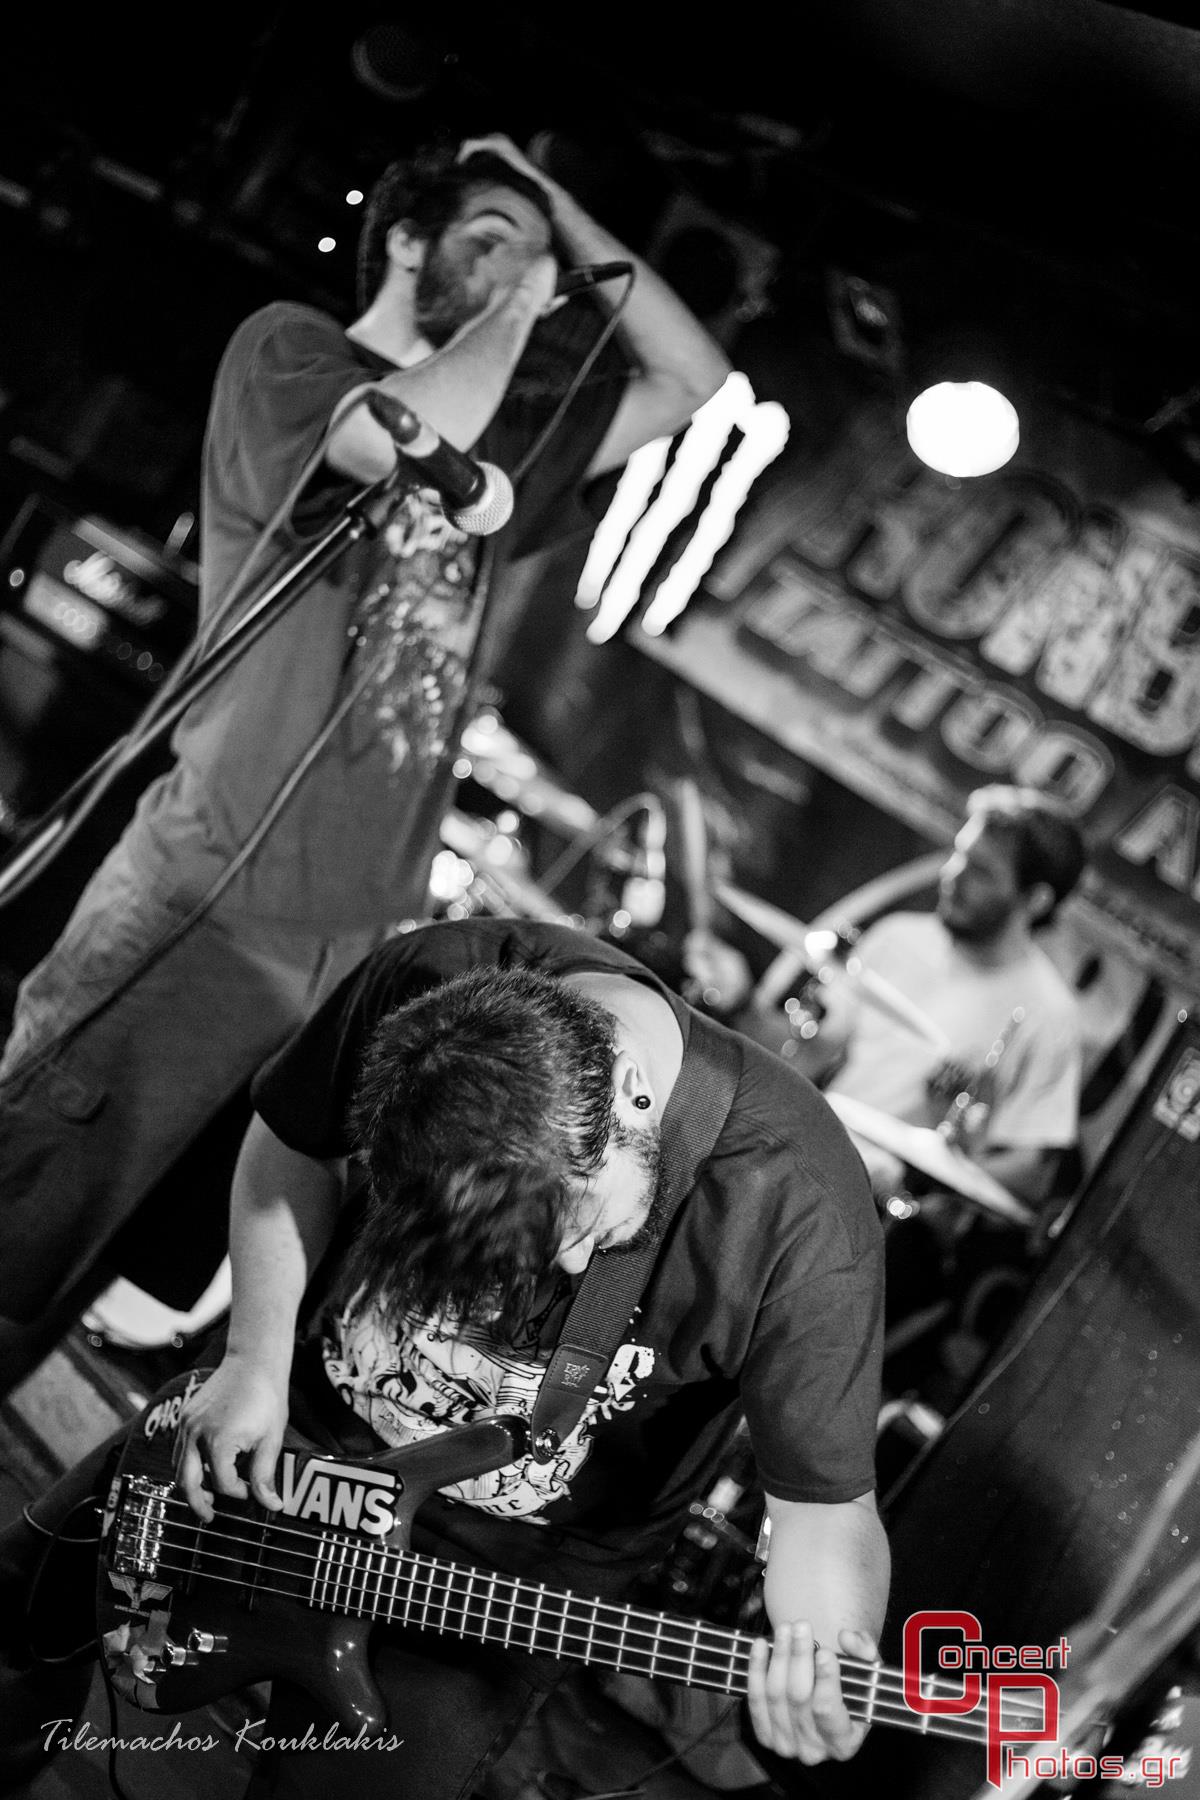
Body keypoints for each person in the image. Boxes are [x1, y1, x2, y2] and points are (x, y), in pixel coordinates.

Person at [0, 132, 730, 1398]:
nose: (522, 269)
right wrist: (519, 301)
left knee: (120, 1268)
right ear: (405, 241)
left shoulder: (505, 447)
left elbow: (694, 377)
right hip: (216, 892)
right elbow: (395, 440)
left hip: (350, 949)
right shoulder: (295, 353)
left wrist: (553, 207)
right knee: (32, 1211)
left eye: (535, 257)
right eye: (487, 236)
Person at [0, 915, 889, 1798]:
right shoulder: (429, 988)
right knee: (14, 1624)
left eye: (581, 1221)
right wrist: (254, 1359)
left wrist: (824, 1654)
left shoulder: (801, 1209)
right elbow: (293, 1143)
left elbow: (824, 1508)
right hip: (291, 1436)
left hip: (496, 1572)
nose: (574, 1265)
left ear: (631, 1091)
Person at [815, 784, 1087, 1214]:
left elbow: (1032, 1170)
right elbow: (812, 1049)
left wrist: (924, 1177)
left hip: (875, 1208)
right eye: (959, 853)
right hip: (811, 1147)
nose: (952, 874)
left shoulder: (1050, 1016)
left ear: (1035, 900)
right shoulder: (898, 936)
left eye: (981, 871)